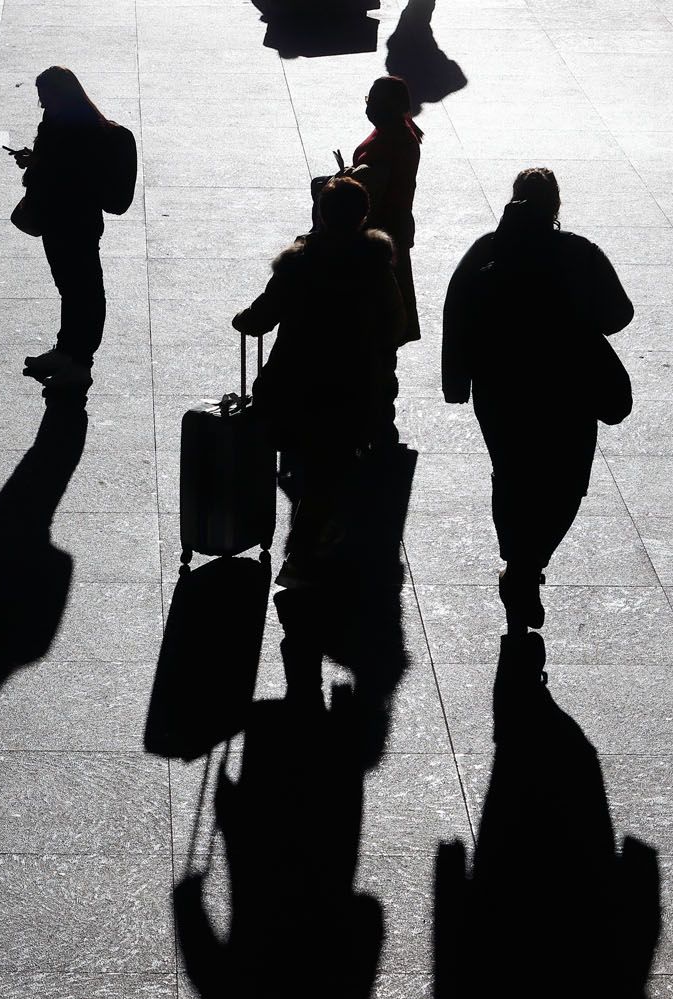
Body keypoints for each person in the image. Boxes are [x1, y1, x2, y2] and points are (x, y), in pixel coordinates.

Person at [442, 168, 633, 634]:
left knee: (511, 474)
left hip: (500, 385)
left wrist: (456, 381)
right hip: (567, 387)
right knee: (566, 483)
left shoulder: (487, 249)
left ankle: (518, 562)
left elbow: (457, 310)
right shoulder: (579, 252)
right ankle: (528, 566)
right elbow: (619, 314)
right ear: (556, 206)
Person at [233, 176, 403, 587]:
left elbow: (260, 318)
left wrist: (244, 320)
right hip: (351, 386)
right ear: (363, 215)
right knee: (331, 466)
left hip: (295, 383)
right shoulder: (375, 264)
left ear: (321, 214)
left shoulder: (298, 263)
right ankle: (306, 549)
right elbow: (393, 324)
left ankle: (306, 546)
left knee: (309, 462)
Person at [12, 67, 118, 392]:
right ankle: (66, 351)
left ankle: (80, 363)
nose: (42, 105)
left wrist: (39, 167)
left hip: (77, 221)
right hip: (55, 219)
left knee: (84, 292)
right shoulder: (57, 124)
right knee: (70, 290)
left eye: (45, 98)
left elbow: (72, 174)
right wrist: (35, 161)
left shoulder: (84, 131)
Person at [349, 73, 423, 447]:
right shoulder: (404, 134)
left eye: (373, 100)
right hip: (392, 237)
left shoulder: (389, 143)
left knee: (377, 323)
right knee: (385, 327)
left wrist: (344, 181)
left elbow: (370, 188)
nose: (368, 106)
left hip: (378, 241)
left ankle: (376, 410)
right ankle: (379, 408)